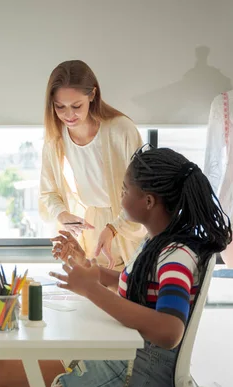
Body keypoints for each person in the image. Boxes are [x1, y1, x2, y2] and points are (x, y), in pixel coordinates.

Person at [0, 147, 232, 387]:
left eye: (125, 190)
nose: (120, 196)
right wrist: (87, 266)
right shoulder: (159, 243)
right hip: (124, 363)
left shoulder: (177, 257)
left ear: (148, 201)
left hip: (136, 378)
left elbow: (170, 330)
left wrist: (91, 290)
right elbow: (138, 287)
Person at [39, 60, 146, 271]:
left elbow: (143, 191)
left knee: (129, 292)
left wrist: (115, 228)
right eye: (60, 107)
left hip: (126, 223)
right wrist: (63, 214)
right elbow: (48, 191)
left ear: (92, 95)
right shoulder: (55, 138)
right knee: (90, 295)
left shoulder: (121, 130)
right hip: (91, 226)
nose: (68, 115)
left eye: (76, 106)